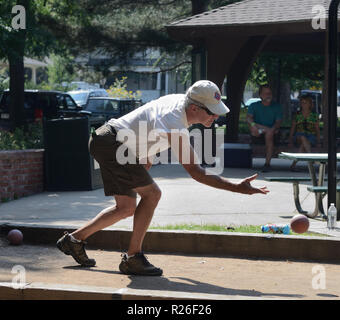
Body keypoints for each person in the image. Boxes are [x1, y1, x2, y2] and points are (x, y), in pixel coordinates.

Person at [56, 80, 269, 276]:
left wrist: (145, 159)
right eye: (213, 112)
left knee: (126, 208)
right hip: (112, 143)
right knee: (153, 194)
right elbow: (196, 172)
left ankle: (73, 241)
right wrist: (237, 187)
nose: (216, 117)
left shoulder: (180, 102)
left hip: (108, 141)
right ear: (195, 108)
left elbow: (149, 126)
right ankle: (132, 258)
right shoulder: (175, 119)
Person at [247, 85, 283, 172]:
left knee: (269, 134)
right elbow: (249, 119)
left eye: (269, 93)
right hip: (257, 132)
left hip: (272, 133)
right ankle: (267, 163)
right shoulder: (253, 105)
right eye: (265, 93)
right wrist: (254, 126)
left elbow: (278, 122)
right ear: (260, 95)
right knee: (254, 128)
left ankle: (267, 164)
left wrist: (271, 130)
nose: (268, 95)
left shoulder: (277, 107)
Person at [288, 95, 321, 171]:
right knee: (303, 138)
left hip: (311, 136)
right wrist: (290, 140)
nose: (303, 104)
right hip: (299, 135)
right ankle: (311, 159)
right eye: (302, 102)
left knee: (304, 145)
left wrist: (319, 141)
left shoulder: (314, 116)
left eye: (306, 103)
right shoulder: (297, 115)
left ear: (310, 104)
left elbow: (317, 130)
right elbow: (293, 129)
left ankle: (293, 165)